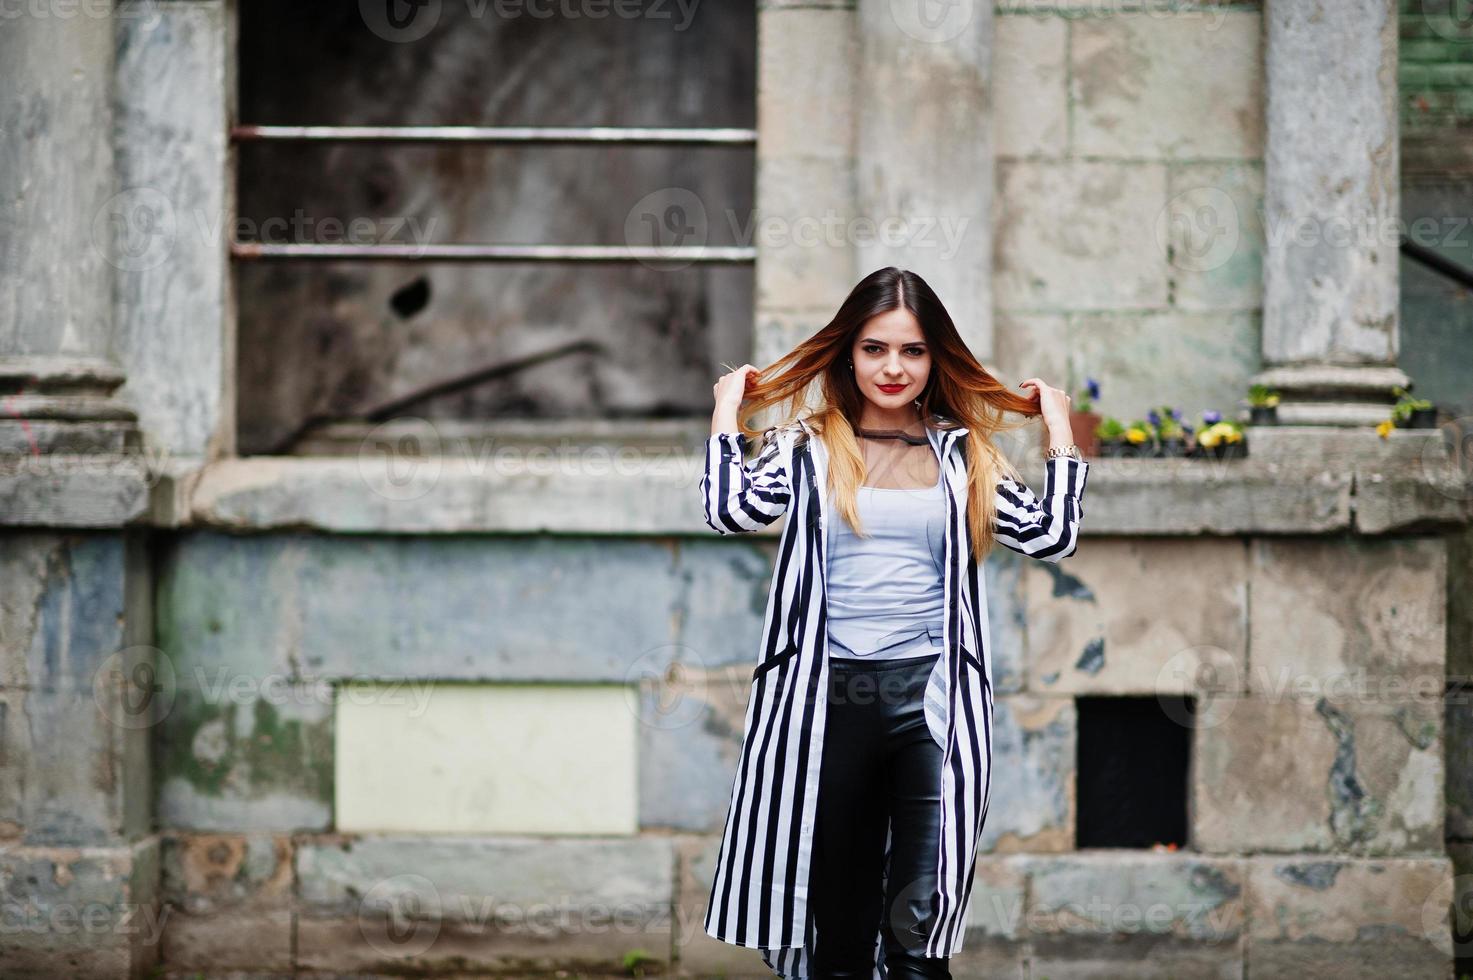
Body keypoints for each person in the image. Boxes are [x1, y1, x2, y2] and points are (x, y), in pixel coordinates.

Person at [698, 267, 1091, 979]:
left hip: (931, 707)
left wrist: (1058, 427)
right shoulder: (807, 445)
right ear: (848, 353)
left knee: (918, 934)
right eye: (875, 348)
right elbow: (731, 511)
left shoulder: (962, 454)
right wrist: (728, 409)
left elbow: (1050, 535)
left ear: (935, 359)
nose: (892, 368)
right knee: (839, 938)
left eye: (911, 352)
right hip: (826, 705)